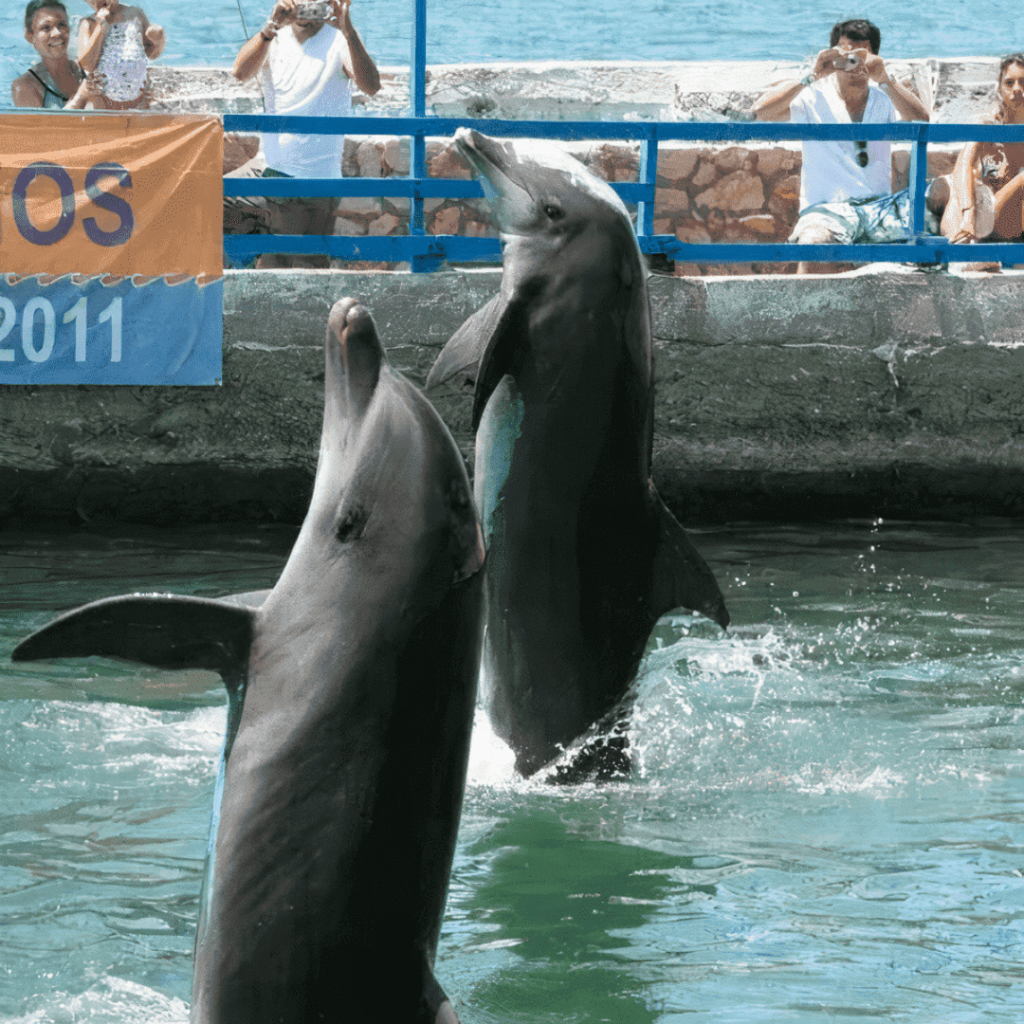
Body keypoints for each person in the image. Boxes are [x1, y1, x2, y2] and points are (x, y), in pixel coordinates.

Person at [753, 18, 930, 273]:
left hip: (877, 209)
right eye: (845, 55)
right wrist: (812, 75)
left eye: (862, 56)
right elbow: (760, 113)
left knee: (917, 255)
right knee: (814, 246)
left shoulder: (885, 99)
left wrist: (885, 79)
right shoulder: (813, 97)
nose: (853, 65)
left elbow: (921, 122)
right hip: (825, 212)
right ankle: (810, 314)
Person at [228, 0, 381, 268]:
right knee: (208, 199)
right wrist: (270, 26)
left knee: (296, 271)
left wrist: (349, 31)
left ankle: (266, 250)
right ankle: (255, 248)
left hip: (311, 182)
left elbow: (371, 86)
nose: (308, 6)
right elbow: (240, 72)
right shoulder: (273, 37)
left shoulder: (339, 41)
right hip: (266, 171)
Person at [938, 54, 1024, 272]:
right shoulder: (988, 123)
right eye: (1009, 82)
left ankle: (967, 254)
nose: (1016, 89)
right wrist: (969, 215)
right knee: (961, 183)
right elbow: (963, 164)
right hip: (983, 215)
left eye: (1023, 82)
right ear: (999, 87)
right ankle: (962, 250)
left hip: (1012, 221)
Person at [12, 1, 102, 108]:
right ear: (30, 36)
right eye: (46, 27)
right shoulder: (25, 86)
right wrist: (80, 97)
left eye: (62, 25)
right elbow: (41, 125)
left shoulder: (88, 70)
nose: (57, 33)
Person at [77, 0, 165, 110]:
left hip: (138, 97)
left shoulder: (136, 14)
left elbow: (151, 54)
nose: (98, 2)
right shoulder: (88, 23)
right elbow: (87, 65)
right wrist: (100, 26)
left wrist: (157, 40)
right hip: (103, 101)